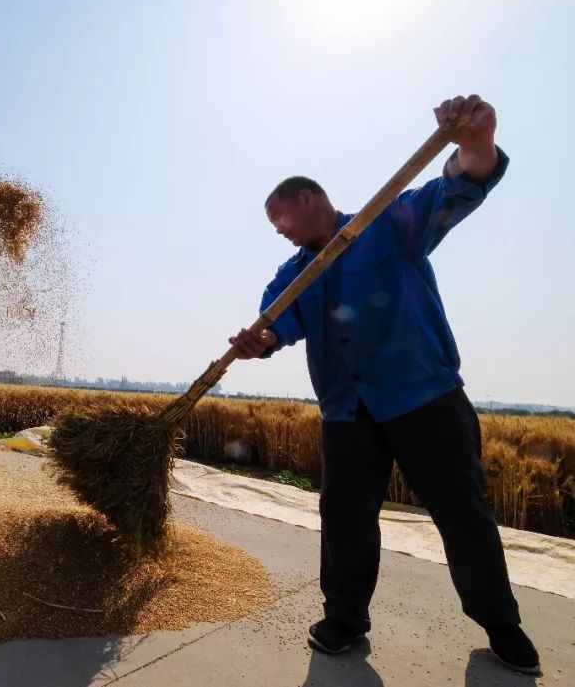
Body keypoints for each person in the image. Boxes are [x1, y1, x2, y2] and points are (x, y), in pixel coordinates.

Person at [229, 95, 540, 675]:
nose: (279, 231)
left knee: (462, 514)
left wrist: (474, 145)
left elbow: (456, 188)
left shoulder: (387, 224)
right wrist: (257, 343)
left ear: (308, 199)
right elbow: (277, 326)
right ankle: (344, 620)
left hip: (424, 398)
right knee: (345, 518)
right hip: (347, 413)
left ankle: (502, 625)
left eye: (281, 219)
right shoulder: (292, 275)